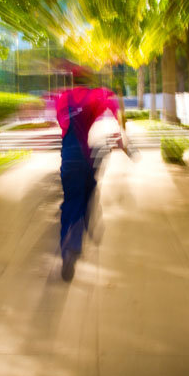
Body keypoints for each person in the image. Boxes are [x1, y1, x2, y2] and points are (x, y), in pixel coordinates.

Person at [55, 70, 125, 281]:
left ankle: (68, 246)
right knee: (88, 193)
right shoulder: (95, 95)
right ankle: (78, 237)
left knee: (70, 201)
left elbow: (64, 124)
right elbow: (112, 103)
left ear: (73, 81)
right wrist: (119, 135)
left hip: (67, 158)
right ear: (88, 81)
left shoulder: (62, 98)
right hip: (85, 158)